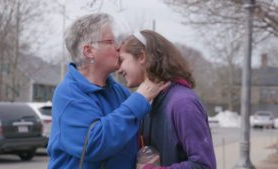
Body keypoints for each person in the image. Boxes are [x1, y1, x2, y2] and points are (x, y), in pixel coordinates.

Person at [47, 14, 169, 169]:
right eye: (110, 42)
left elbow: (129, 139)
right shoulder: (69, 94)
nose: (118, 47)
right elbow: (93, 145)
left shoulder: (120, 93)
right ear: (89, 51)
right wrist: (139, 99)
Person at [118, 30, 217, 169]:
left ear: (141, 57)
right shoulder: (149, 101)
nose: (119, 69)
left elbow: (204, 165)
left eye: (121, 60)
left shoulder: (183, 103)